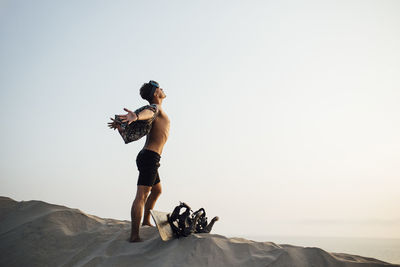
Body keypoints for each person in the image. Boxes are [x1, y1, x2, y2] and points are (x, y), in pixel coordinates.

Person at [108, 80, 170, 242]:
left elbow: (148, 115)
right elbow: (149, 112)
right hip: (150, 157)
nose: (163, 90)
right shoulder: (156, 108)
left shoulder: (158, 109)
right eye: (160, 88)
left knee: (157, 191)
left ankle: (145, 221)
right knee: (142, 196)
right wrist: (136, 116)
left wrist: (121, 128)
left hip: (149, 157)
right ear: (156, 93)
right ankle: (134, 236)